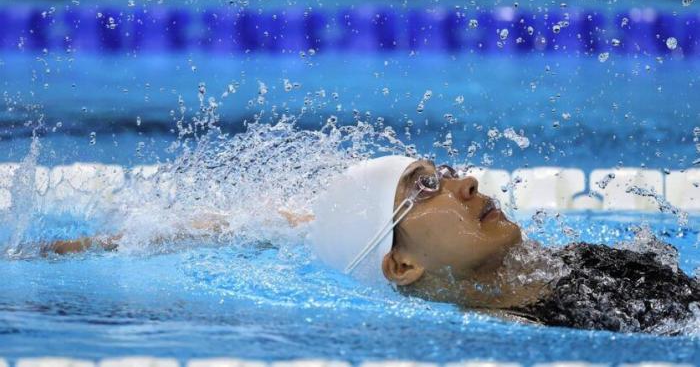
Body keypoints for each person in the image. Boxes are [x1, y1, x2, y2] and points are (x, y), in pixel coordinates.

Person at [44, 155, 700, 334]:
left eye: (444, 174)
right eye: (426, 189)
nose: (466, 182)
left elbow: (279, 225)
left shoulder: (562, 266)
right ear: (402, 265)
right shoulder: (545, 322)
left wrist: (96, 245)